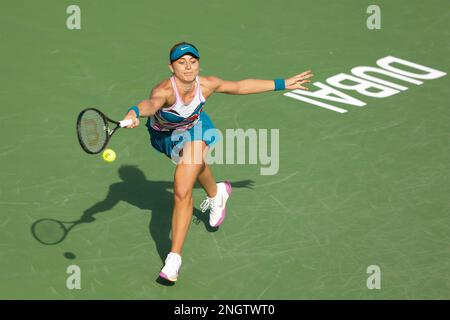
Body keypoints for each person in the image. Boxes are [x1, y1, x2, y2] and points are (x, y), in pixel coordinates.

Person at [122, 42, 313, 282]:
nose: (188, 66)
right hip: (165, 138)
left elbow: (240, 86)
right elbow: (150, 104)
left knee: (182, 189)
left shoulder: (206, 84)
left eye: (193, 61)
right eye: (182, 62)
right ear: (171, 67)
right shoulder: (165, 90)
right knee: (194, 167)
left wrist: (282, 83)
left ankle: (174, 258)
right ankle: (217, 192)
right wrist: (134, 112)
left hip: (198, 130)